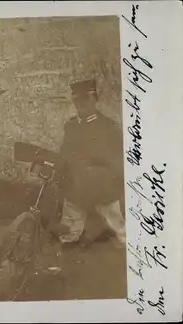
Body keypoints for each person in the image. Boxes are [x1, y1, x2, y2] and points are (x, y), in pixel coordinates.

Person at [57, 79, 126, 248]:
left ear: (94, 99)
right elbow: (65, 153)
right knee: (68, 235)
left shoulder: (109, 127)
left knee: (120, 233)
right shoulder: (71, 126)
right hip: (75, 187)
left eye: (85, 99)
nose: (80, 104)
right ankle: (71, 252)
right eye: (77, 100)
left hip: (102, 185)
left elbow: (116, 162)